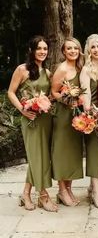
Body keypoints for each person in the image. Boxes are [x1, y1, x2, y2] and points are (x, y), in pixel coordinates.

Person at [8, 35, 57, 212]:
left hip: (45, 119)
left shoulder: (48, 73)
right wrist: (23, 109)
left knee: (41, 156)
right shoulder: (21, 70)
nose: (43, 52)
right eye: (39, 48)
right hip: (29, 119)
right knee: (37, 156)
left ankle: (26, 194)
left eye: (45, 49)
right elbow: (11, 93)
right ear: (32, 50)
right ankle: (43, 196)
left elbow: (52, 95)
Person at [51, 37, 84, 206]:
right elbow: (54, 92)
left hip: (76, 116)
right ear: (63, 51)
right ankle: (61, 190)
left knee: (72, 153)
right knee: (62, 152)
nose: (72, 51)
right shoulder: (62, 69)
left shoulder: (79, 67)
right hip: (63, 115)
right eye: (69, 48)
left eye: (75, 48)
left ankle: (69, 189)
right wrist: (68, 99)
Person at [80, 34, 98, 209]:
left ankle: (93, 186)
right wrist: (91, 114)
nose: (96, 50)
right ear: (88, 50)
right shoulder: (86, 70)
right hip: (93, 115)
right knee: (94, 152)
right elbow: (85, 94)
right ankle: (96, 192)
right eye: (93, 47)